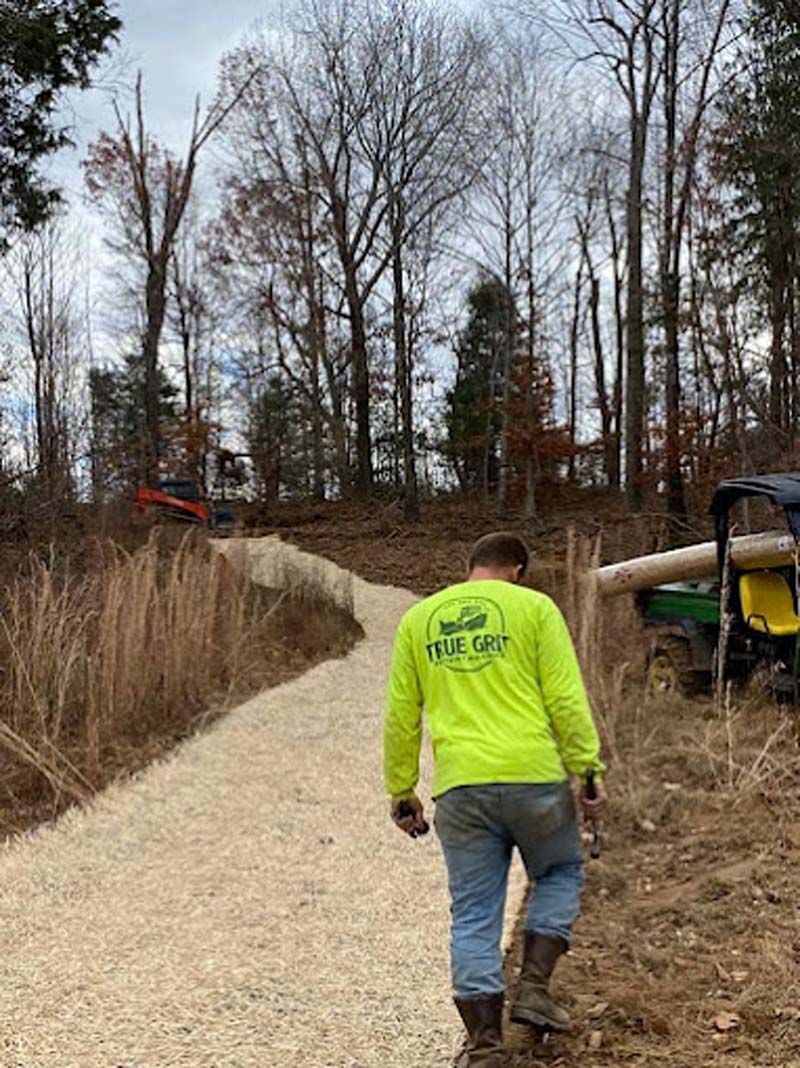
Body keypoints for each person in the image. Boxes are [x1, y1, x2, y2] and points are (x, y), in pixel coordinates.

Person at [383, 532, 606, 1067]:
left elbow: (400, 714)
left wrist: (401, 790)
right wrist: (588, 771)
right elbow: (565, 697)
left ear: (471, 568)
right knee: (558, 873)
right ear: (518, 571)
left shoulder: (421, 620)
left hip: (460, 788)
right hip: (534, 778)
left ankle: (485, 1047)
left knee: (475, 913)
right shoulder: (534, 608)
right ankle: (533, 989)